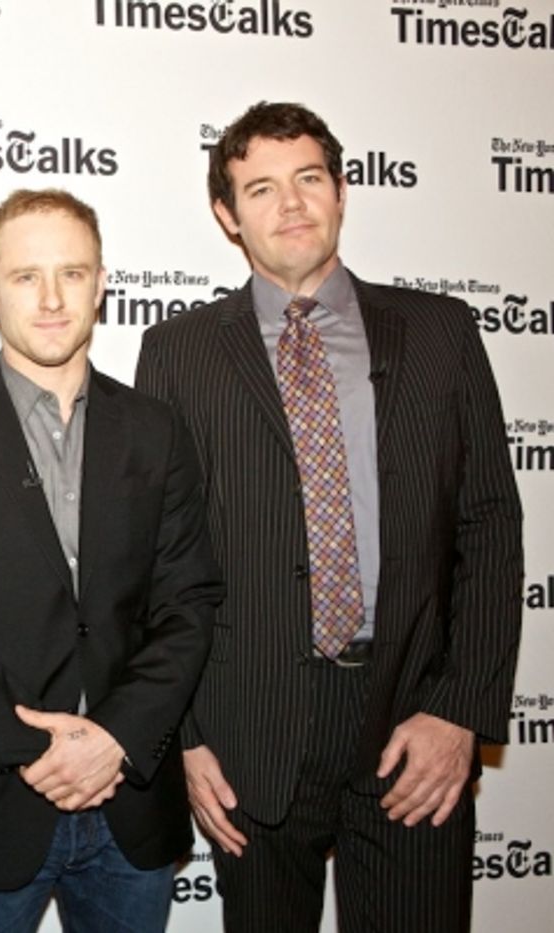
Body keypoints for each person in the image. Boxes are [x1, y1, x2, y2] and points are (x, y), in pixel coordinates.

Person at [135, 101, 524, 932]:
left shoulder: (440, 333)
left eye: (310, 178)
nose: (292, 204)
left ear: (343, 191)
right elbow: (161, 557)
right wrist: (190, 736)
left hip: (414, 715)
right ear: (226, 215)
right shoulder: (179, 353)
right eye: (262, 188)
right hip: (253, 729)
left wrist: (462, 709)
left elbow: (490, 527)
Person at [0, 188, 222, 933]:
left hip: (131, 806)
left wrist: (115, 739)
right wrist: (38, 747)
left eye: (72, 272)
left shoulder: (157, 433)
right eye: (26, 275)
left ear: (102, 285)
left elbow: (188, 602)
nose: (51, 297)